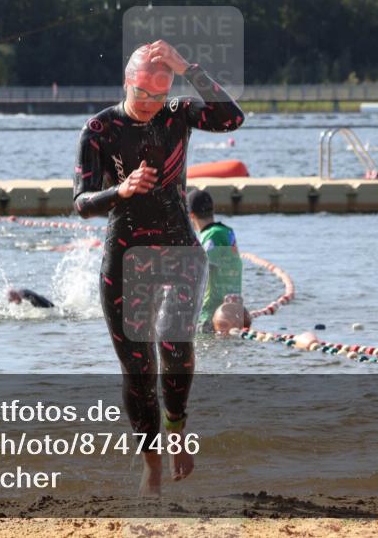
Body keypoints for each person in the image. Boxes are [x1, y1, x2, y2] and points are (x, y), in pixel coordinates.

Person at [73, 39, 243, 495]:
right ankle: (151, 461)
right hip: (125, 255)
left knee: (174, 340)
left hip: (179, 249)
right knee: (137, 368)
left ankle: (178, 430)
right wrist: (121, 191)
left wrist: (189, 67)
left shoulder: (178, 114)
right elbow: (83, 203)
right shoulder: (99, 129)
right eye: (143, 93)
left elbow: (232, 118)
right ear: (128, 83)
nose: (151, 104)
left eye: (159, 94)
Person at [186, 189, 247, 333]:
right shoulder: (228, 232)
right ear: (213, 210)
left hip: (211, 315)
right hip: (235, 311)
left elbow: (198, 271)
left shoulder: (210, 236)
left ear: (191, 215)